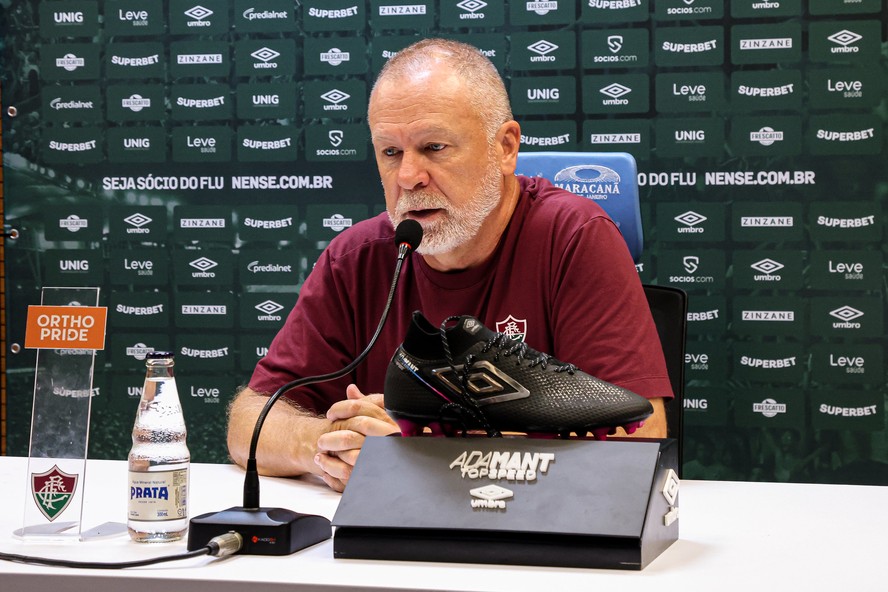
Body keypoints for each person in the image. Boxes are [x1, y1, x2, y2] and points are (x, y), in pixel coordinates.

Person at [227, 38, 673, 492]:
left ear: (505, 147)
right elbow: (249, 422)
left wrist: (418, 448)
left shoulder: (575, 236)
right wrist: (326, 441)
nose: (408, 177)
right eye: (390, 152)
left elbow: (640, 436)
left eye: (434, 147)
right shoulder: (355, 257)